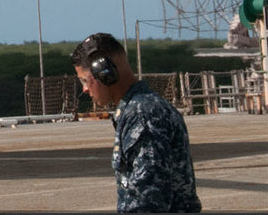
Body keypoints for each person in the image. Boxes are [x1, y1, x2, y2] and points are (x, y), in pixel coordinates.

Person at [71, 32, 201, 213]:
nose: (85, 89)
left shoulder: (143, 115)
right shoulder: (139, 109)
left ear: (105, 73)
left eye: (85, 80)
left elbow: (147, 201)